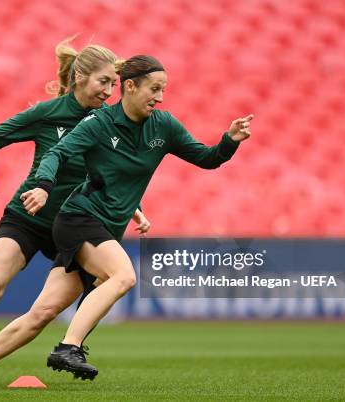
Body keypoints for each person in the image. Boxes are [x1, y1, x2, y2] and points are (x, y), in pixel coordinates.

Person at [0, 39, 151, 388]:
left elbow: (108, 171)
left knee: (48, 310)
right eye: (102, 82)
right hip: (28, 218)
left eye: (113, 83)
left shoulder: (110, 123)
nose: (109, 91)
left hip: (76, 227)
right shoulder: (48, 114)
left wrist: (129, 207)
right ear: (79, 76)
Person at [22, 55, 253, 380]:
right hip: (78, 216)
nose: (159, 97)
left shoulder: (164, 125)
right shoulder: (99, 122)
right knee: (124, 276)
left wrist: (229, 141)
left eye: (163, 90)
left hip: (103, 224)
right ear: (129, 86)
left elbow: (206, 158)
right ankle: (68, 347)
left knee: (44, 310)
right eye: (154, 89)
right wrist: (44, 186)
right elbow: (57, 152)